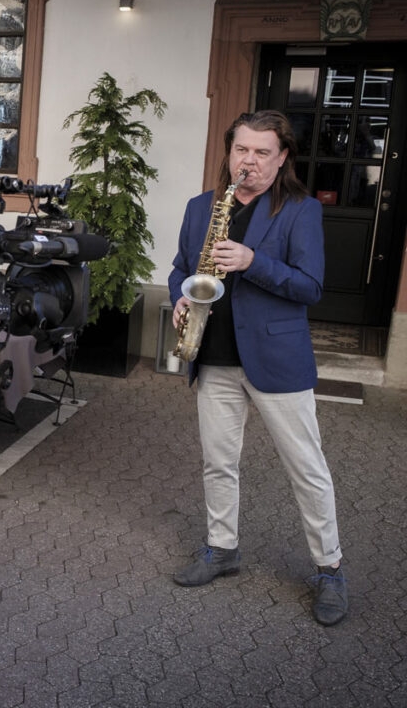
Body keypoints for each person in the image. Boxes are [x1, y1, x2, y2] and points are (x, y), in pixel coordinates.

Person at [168, 110, 348, 626]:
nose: (249, 161)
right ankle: (222, 548)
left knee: (306, 468)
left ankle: (330, 568)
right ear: (229, 152)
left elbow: (310, 286)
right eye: (241, 150)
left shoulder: (301, 210)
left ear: (282, 157)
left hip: (277, 360)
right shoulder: (201, 206)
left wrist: (252, 262)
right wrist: (181, 294)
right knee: (218, 463)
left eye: (262, 152)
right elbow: (181, 267)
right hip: (216, 355)